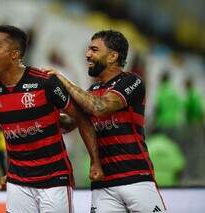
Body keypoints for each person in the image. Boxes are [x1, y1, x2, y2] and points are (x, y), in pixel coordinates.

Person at [0, 25, 103, 213]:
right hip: (19, 180)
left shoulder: (45, 82)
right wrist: (10, 171)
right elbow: (12, 136)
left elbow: (81, 117)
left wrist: (95, 161)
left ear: (14, 54)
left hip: (54, 178)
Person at [48, 30, 166, 212]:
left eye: (94, 50)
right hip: (103, 183)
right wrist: (39, 115)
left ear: (112, 56)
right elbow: (71, 122)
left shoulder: (132, 81)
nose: (88, 54)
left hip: (136, 178)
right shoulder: (93, 89)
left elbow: (100, 107)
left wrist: (64, 82)